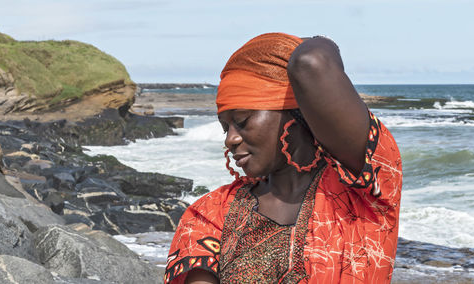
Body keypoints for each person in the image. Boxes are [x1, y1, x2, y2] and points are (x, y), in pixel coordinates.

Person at [164, 33, 402, 284]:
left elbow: (311, 62)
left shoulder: (362, 193)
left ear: (294, 114)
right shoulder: (211, 213)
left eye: (242, 121)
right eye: (226, 128)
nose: (230, 139)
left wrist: (315, 40)